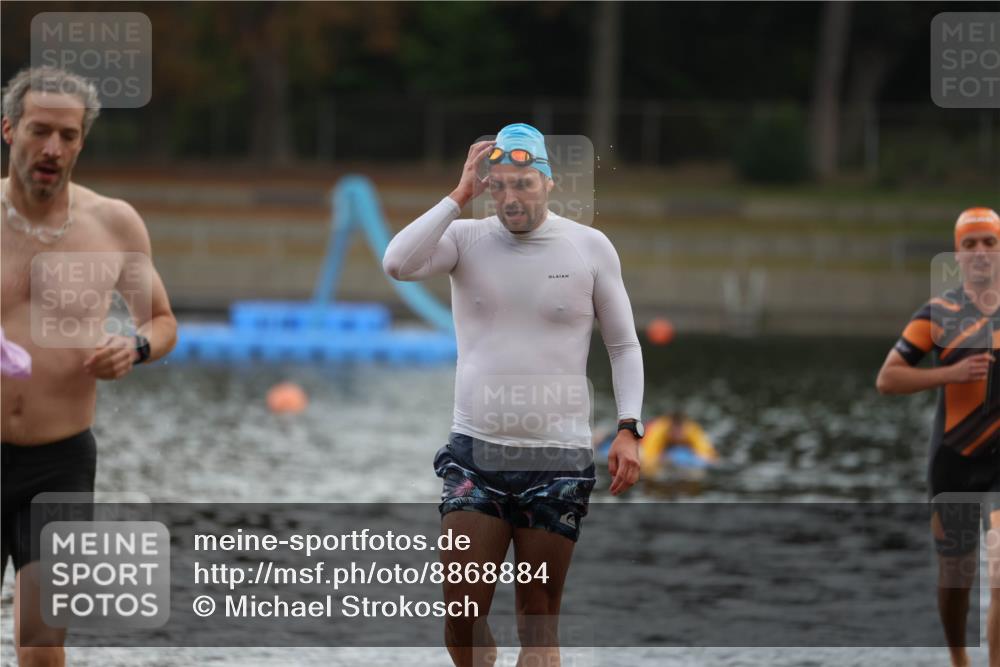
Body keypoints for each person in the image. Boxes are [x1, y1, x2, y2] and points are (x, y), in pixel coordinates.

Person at [384, 123, 644, 666]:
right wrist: (458, 198)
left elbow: (623, 346)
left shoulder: (589, 246)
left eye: (522, 183)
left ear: (548, 183)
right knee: (461, 614)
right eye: (498, 185)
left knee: (537, 619)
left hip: (558, 461)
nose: (509, 197)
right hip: (476, 455)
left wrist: (628, 428)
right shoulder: (463, 239)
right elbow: (397, 263)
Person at [1, 66, 177, 666]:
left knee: (44, 632)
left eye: (68, 136)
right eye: (39, 131)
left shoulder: (113, 224)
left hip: (60, 457)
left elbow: (161, 320)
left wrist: (135, 347)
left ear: (81, 141)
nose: (53, 148)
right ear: (9, 130)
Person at [876, 207, 1000, 667]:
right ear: (958, 255)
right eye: (971, 245)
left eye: (990, 242)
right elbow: (887, 379)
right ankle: (958, 658)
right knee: (956, 581)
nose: (982, 252)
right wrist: (951, 372)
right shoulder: (938, 314)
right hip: (955, 460)